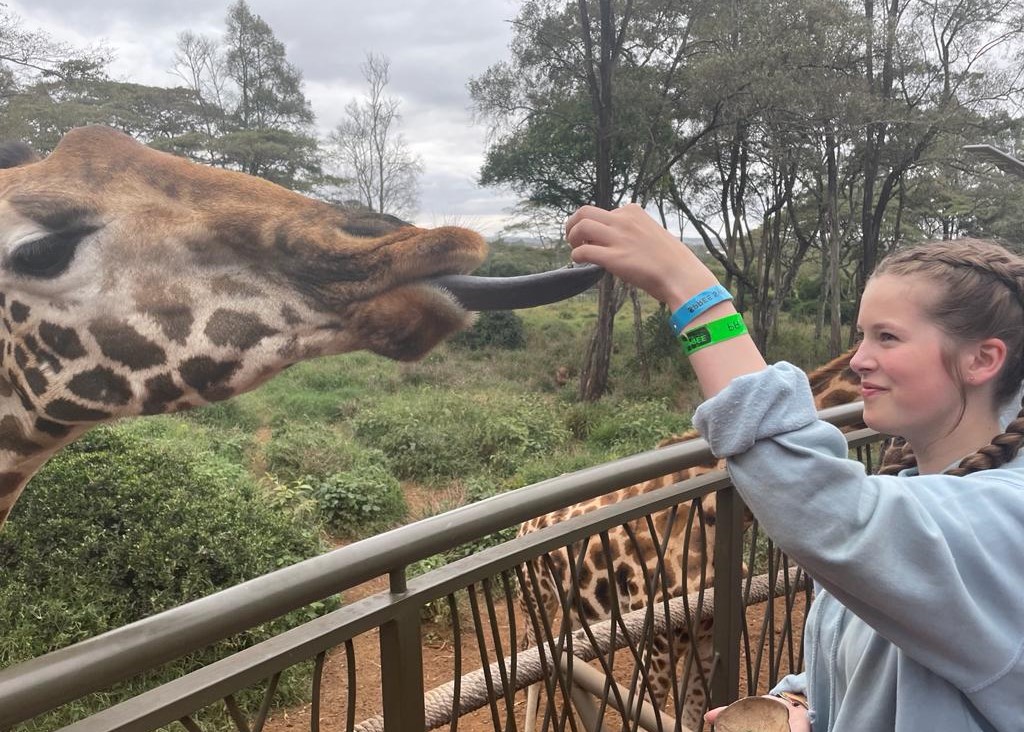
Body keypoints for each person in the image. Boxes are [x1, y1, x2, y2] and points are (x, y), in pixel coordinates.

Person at [564, 204, 1024, 731]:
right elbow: (879, 660)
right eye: (862, 334)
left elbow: (814, 499)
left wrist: (690, 292)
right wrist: (800, 701)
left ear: (983, 360)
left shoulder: (1005, 521)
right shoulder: (911, 488)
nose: (858, 360)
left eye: (887, 337)